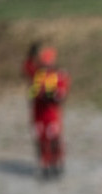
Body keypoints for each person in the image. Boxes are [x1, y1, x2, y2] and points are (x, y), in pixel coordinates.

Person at [28, 46, 70, 178]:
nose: (46, 65)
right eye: (43, 62)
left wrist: (53, 95)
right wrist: (30, 56)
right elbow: (27, 70)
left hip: (52, 114)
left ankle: (56, 163)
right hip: (38, 114)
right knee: (41, 140)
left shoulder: (58, 75)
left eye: (48, 62)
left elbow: (62, 94)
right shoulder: (37, 75)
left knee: (54, 140)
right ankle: (44, 164)